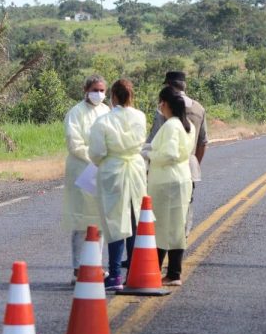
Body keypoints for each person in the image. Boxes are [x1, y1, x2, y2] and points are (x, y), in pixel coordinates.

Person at [89, 79, 148, 291]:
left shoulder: (103, 121)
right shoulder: (140, 116)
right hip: (135, 169)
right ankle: (133, 270)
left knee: (114, 222)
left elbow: (97, 152)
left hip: (113, 170)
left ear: (113, 96)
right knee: (134, 219)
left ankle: (114, 274)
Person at [147, 71, 208, 237]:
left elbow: (153, 141)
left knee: (161, 210)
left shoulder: (164, 109)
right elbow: (203, 142)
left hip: (164, 170)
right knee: (185, 205)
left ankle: (163, 244)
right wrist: (194, 163)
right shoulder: (199, 109)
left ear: (169, 86)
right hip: (188, 166)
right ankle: (182, 238)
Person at [61, 75, 110, 283]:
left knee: (100, 222)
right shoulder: (76, 112)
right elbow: (74, 144)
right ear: (86, 90)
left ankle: (95, 266)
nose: (98, 94)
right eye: (95, 90)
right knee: (82, 221)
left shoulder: (106, 111)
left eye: (102, 90)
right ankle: (78, 269)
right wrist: (95, 157)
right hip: (82, 170)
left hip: (101, 171)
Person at [145, 87, 195, 286]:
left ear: (165, 103)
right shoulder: (187, 124)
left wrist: (149, 154)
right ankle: (174, 272)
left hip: (166, 181)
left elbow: (169, 154)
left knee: (161, 227)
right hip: (182, 178)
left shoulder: (171, 125)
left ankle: (156, 269)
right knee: (176, 226)